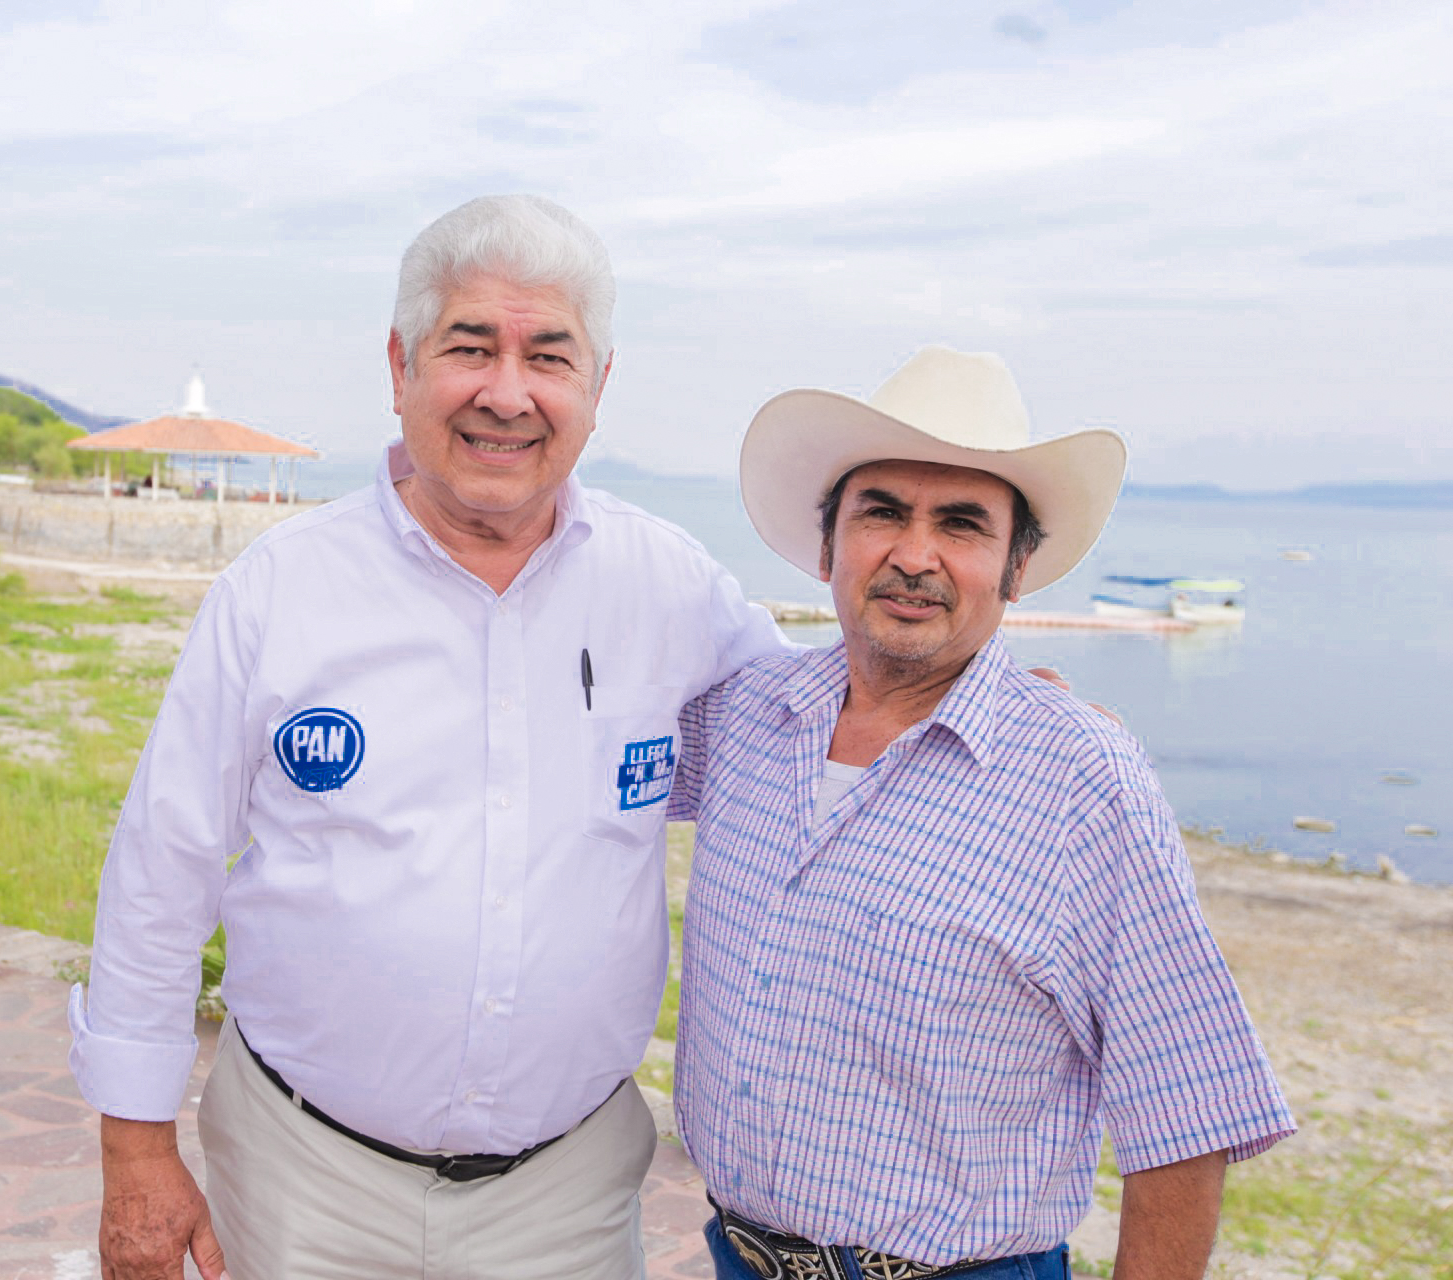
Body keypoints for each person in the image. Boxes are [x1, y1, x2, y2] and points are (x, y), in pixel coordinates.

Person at [69, 195, 791, 1280]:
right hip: (300, 1180)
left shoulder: (673, 584)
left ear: (599, 385)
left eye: (550, 355)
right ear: (401, 365)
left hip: (566, 1198)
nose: (508, 391)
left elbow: (827, 724)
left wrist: (1008, 710)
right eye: (470, 347)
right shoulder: (279, 589)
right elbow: (160, 868)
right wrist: (135, 1152)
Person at [669, 346, 1295, 1280]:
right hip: (737, 1258)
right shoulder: (743, 714)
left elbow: (1185, 1115)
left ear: (1015, 567)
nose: (914, 556)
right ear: (830, 539)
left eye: (961, 525)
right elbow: (561, 762)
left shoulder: (1081, 779)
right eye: (882, 511)